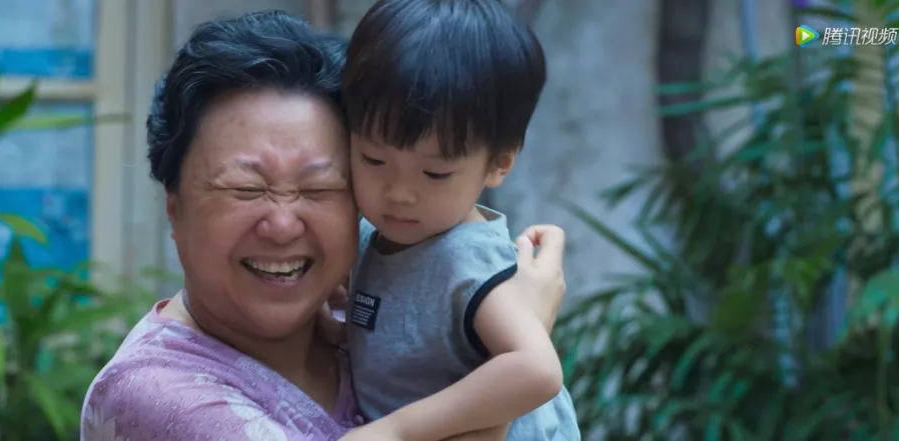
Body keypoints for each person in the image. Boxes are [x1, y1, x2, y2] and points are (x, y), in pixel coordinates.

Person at [80, 10, 570, 441]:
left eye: (320, 189)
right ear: (175, 206)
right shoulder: (159, 398)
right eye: (246, 189)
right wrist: (529, 323)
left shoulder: (357, 309)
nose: (282, 226)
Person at [333, 1, 581, 440]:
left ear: (500, 162)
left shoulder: (465, 262)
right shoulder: (374, 236)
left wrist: (396, 431)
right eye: (373, 159)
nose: (399, 193)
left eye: (435, 173)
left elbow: (537, 369)